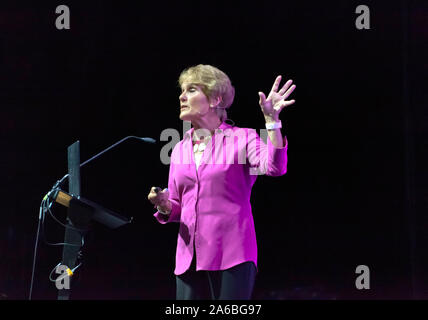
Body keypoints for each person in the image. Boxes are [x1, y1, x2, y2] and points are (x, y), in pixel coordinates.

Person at [147, 64, 296, 300]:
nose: (181, 96)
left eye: (192, 90)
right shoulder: (178, 149)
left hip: (232, 253)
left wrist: (271, 121)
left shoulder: (243, 138)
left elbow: (275, 167)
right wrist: (164, 204)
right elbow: (177, 206)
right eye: (182, 90)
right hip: (189, 258)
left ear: (216, 99)